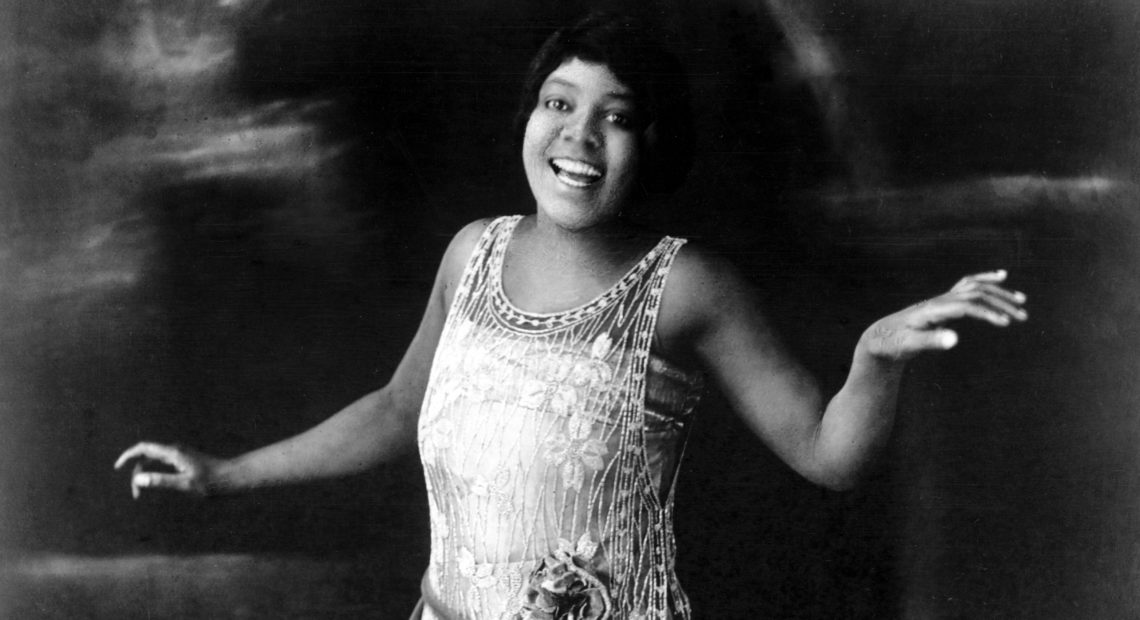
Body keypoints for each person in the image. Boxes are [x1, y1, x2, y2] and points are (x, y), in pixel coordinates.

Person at [115, 12, 1028, 620]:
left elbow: (831, 460)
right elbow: (397, 411)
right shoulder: (470, 252)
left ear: (651, 143)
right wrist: (223, 473)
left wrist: (876, 354)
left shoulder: (687, 287)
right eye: (559, 103)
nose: (578, 138)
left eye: (615, 117)